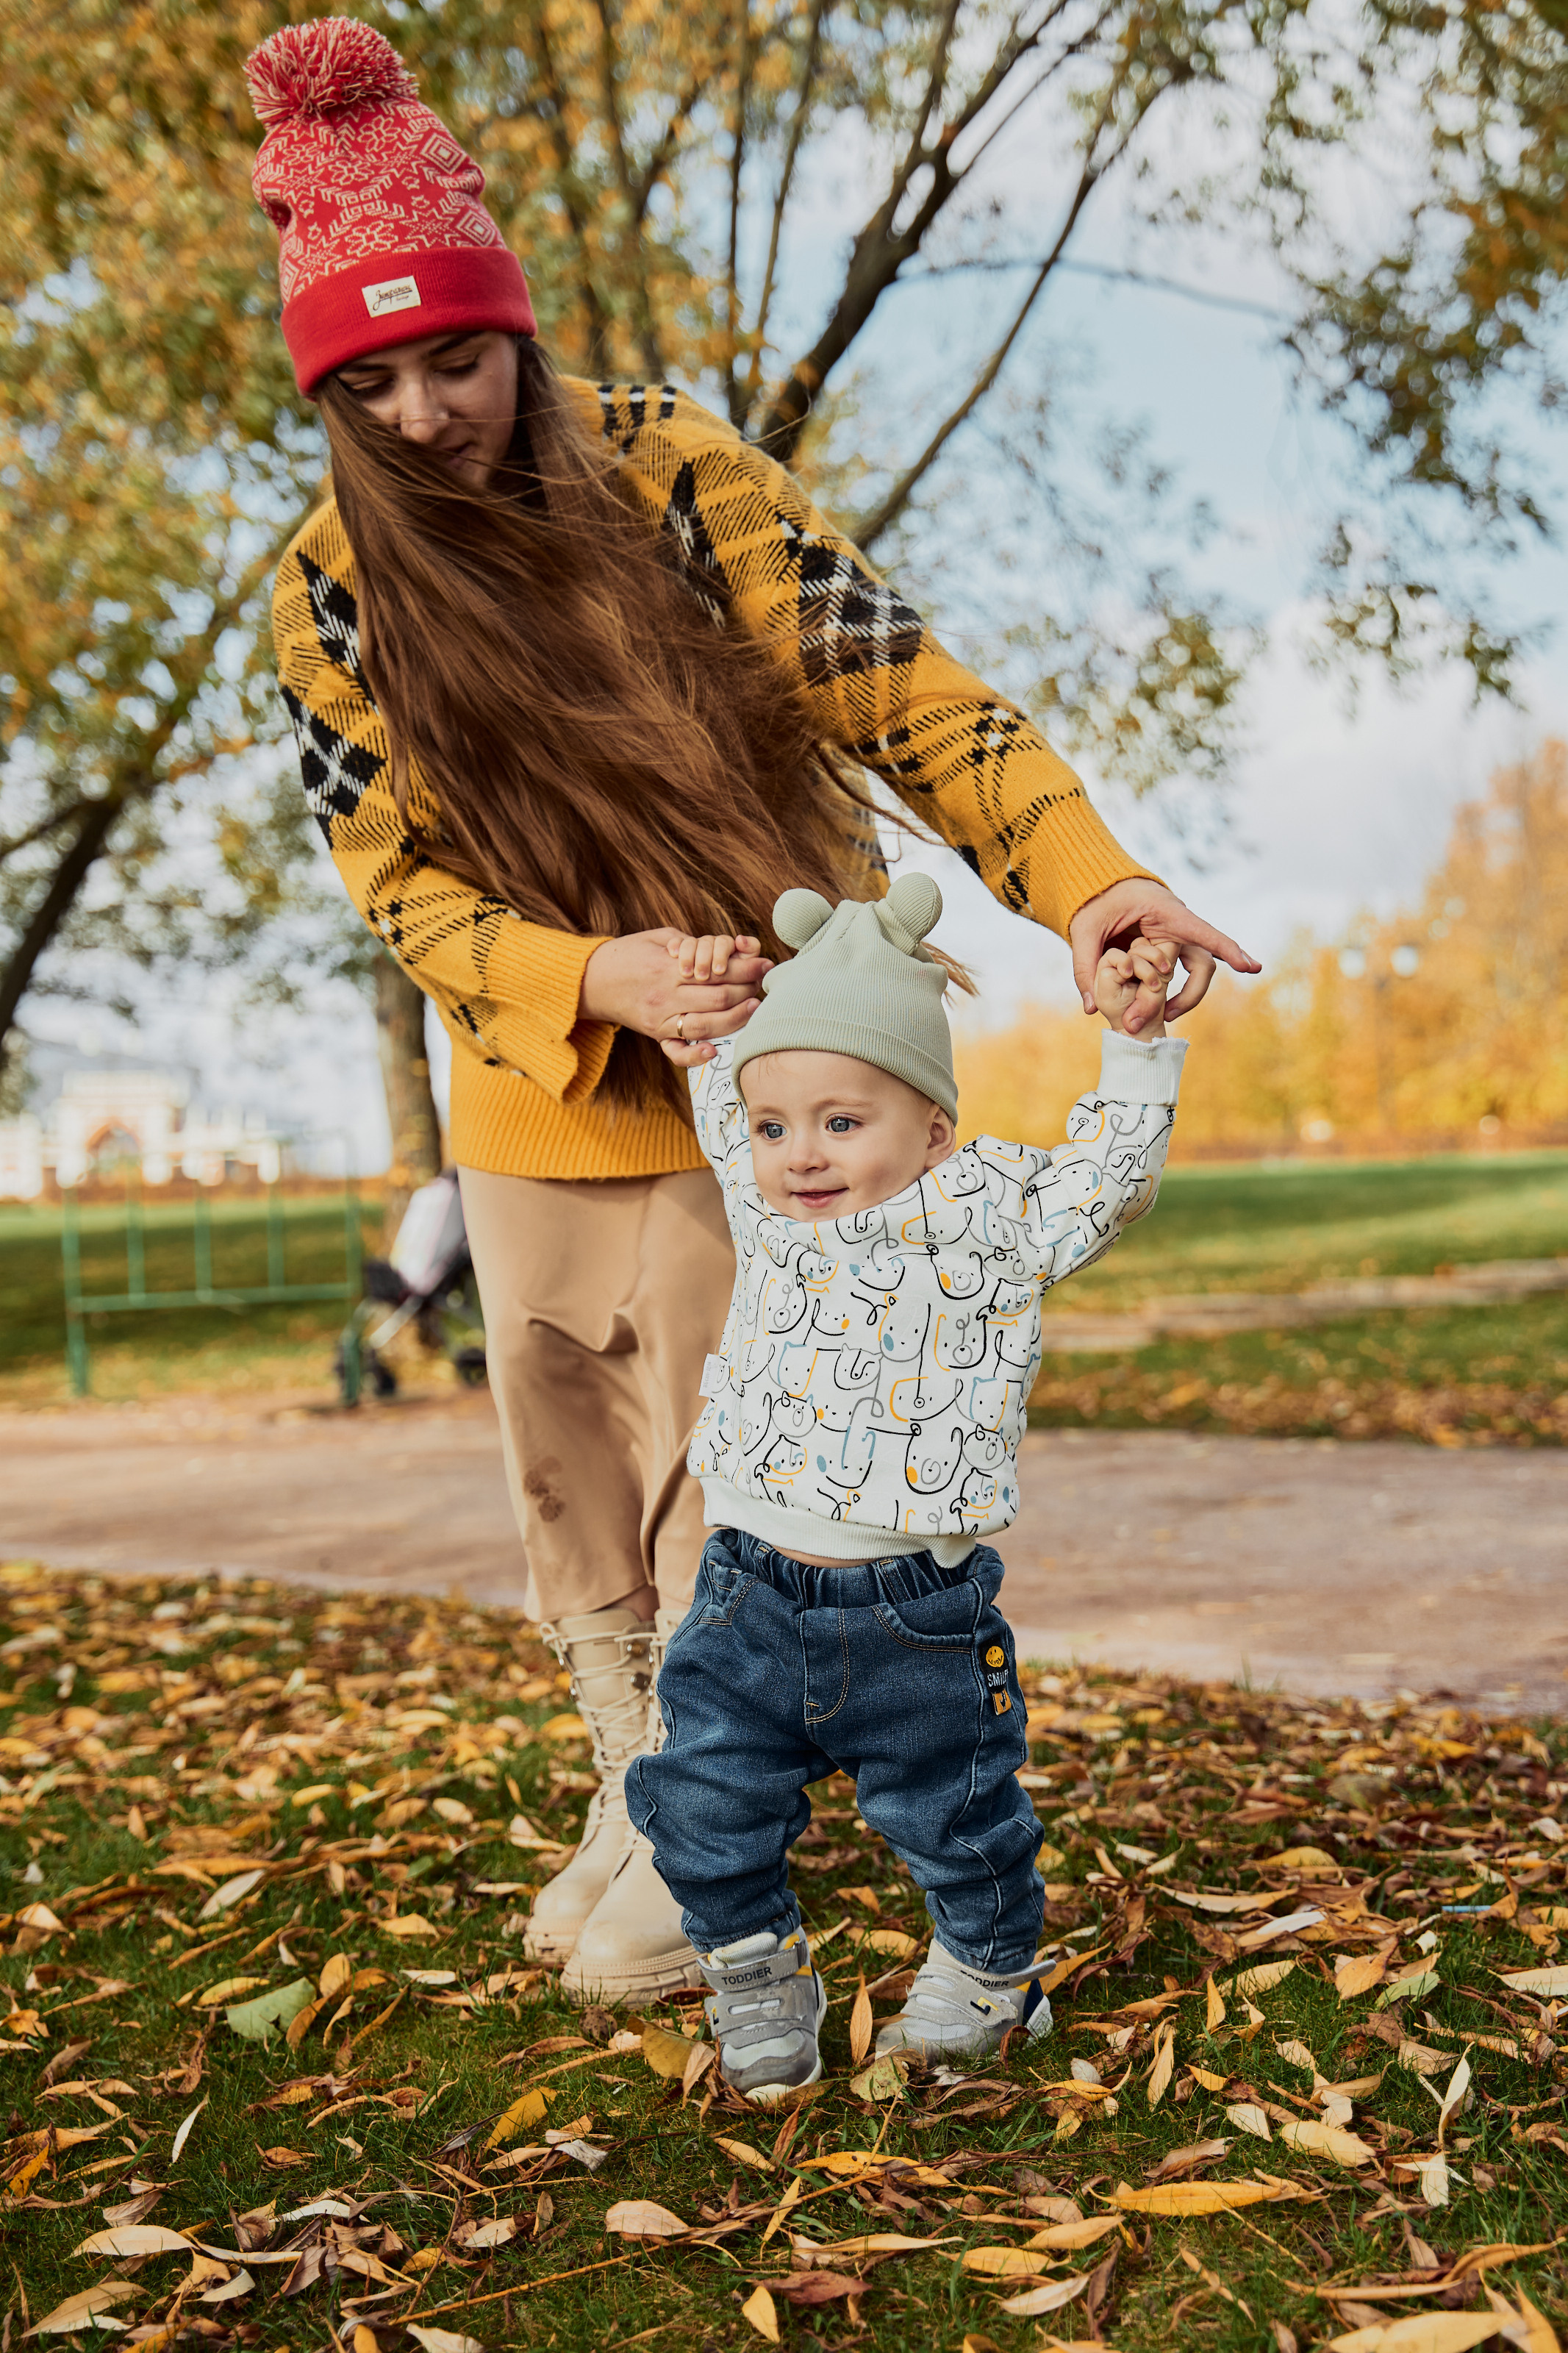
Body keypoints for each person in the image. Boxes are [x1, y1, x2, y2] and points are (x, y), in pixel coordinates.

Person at [246, 14, 1256, 2006]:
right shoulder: (324, 593)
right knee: (569, 1466)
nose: (429, 409)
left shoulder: (671, 471)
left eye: (456, 354)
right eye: (372, 384)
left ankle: (698, 1831)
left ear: (512, 332)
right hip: (543, 1087)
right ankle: (632, 1781)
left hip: (779, 1072)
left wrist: (1085, 874)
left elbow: (904, 688)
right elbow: (400, 887)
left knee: (750, 1449)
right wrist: (590, 974)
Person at [626, 877, 1184, 2100]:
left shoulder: (986, 1215)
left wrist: (1133, 1050)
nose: (800, 1154)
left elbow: (1105, 1184)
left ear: (930, 1127)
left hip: (912, 1618)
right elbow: (727, 1091)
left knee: (958, 1810)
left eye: (841, 1123)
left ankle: (991, 1974)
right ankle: (752, 1965)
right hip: (743, 1601)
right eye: (778, 1129)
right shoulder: (769, 1211)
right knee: (697, 1799)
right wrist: (711, 1021)